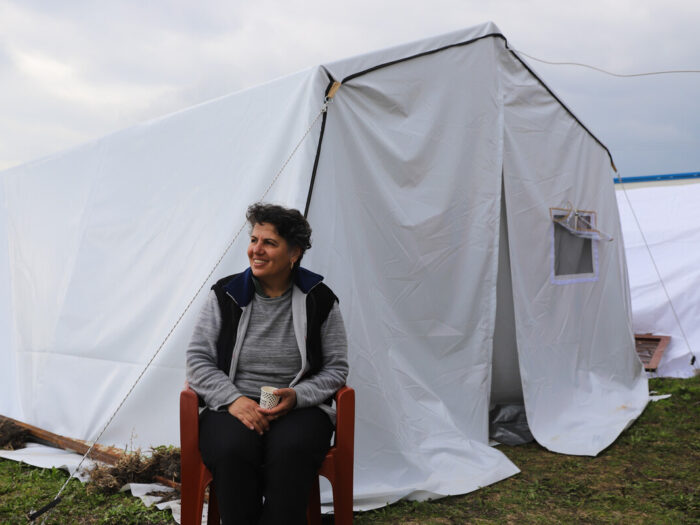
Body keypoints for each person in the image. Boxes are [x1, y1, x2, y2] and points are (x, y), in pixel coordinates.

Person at [186, 202, 349, 525]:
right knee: (232, 450)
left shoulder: (320, 299)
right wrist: (233, 399)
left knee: (291, 451)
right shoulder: (226, 295)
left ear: (294, 253)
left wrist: (297, 396)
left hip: (299, 409)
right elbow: (198, 360)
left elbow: (336, 369)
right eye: (254, 240)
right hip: (231, 406)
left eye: (269, 243)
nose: (256, 250)